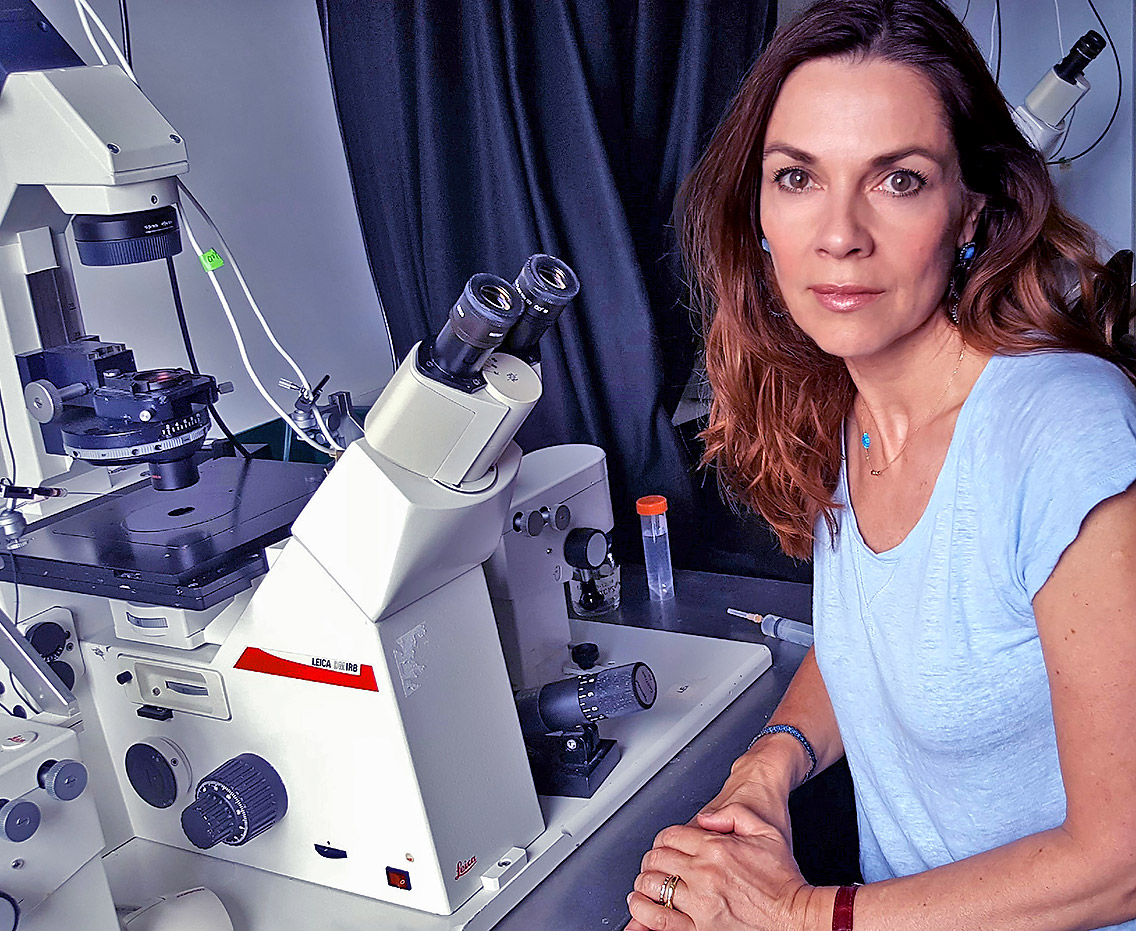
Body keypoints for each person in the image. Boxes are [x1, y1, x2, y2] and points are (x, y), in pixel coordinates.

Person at [625, 1, 1136, 930]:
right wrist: (768, 765)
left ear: (971, 211)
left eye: (898, 180)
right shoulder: (847, 404)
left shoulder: (1063, 432)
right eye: (797, 178)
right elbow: (879, 639)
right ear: (760, 213)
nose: (839, 233)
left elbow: (1122, 860)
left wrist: (797, 915)